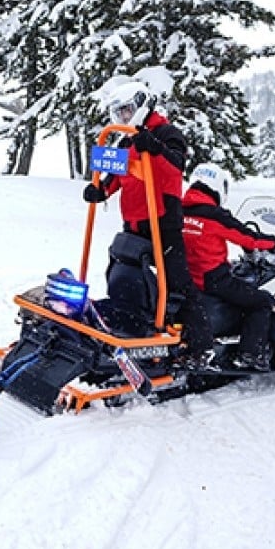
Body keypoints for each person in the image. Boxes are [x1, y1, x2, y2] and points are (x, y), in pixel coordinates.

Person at [83, 81, 213, 367]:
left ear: (142, 105)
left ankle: (200, 347)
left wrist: (155, 148)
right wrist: (101, 191)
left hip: (163, 222)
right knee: (125, 275)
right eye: (119, 114)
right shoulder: (128, 139)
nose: (124, 118)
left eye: (128, 111)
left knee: (177, 283)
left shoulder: (167, 133)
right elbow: (119, 174)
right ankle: (128, 322)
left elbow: (176, 166)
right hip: (133, 224)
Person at [181, 163, 275, 371]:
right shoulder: (214, 215)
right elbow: (248, 237)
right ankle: (250, 354)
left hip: (186, 278)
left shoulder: (179, 212)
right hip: (212, 278)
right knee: (261, 301)